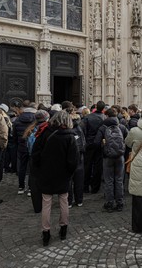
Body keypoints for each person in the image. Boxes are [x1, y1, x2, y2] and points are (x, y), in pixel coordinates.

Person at [32, 111, 78, 245]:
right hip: (63, 173)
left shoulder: (45, 133)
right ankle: (63, 228)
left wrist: (39, 169)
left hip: (46, 173)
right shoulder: (70, 137)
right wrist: (69, 173)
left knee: (46, 202)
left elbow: (35, 153)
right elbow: (73, 160)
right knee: (64, 200)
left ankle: (45, 232)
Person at [94, 107, 128, 212]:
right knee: (119, 180)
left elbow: (96, 142)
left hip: (107, 157)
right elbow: (128, 138)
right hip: (120, 156)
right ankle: (120, 203)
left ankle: (109, 203)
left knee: (108, 180)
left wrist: (103, 146)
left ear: (107, 116)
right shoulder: (122, 127)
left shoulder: (103, 127)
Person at [81, 100, 106, 193]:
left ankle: (85, 187)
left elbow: (83, 131)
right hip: (99, 144)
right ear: (103, 108)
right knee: (97, 166)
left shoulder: (88, 117)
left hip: (89, 143)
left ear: (96, 107)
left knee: (87, 165)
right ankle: (95, 188)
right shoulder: (104, 118)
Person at [13, 102, 36, 195]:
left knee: (22, 167)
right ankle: (30, 188)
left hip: (21, 146)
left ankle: (21, 187)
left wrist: (17, 144)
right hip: (32, 146)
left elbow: (14, 135)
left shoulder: (18, 120)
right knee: (31, 167)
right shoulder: (35, 119)